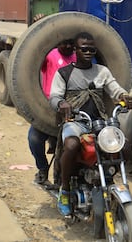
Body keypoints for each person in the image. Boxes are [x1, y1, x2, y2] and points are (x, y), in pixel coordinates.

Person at [49, 32, 132, 216]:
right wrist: (61, 104)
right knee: (71, 145)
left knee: (125, 146)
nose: (88, 52)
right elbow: (54, 96)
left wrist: (124, 97)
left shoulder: (102, 71)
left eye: (92, 49)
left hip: (99, 122)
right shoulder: (64, 73)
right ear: (76, 49)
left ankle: (108, 178)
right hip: (76, 122)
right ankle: (64, 190)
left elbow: (115, 89)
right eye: (84, 49)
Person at [29, 39, 76, 184]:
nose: (67, 46)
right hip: (49, 108)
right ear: (57, 43)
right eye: (64, 43)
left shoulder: (78, 57)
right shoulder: (50, 55)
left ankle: (66, 178)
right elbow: (33, 59)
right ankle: (42, 168)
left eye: (70, 43)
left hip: (73, 107)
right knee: (34, 139)